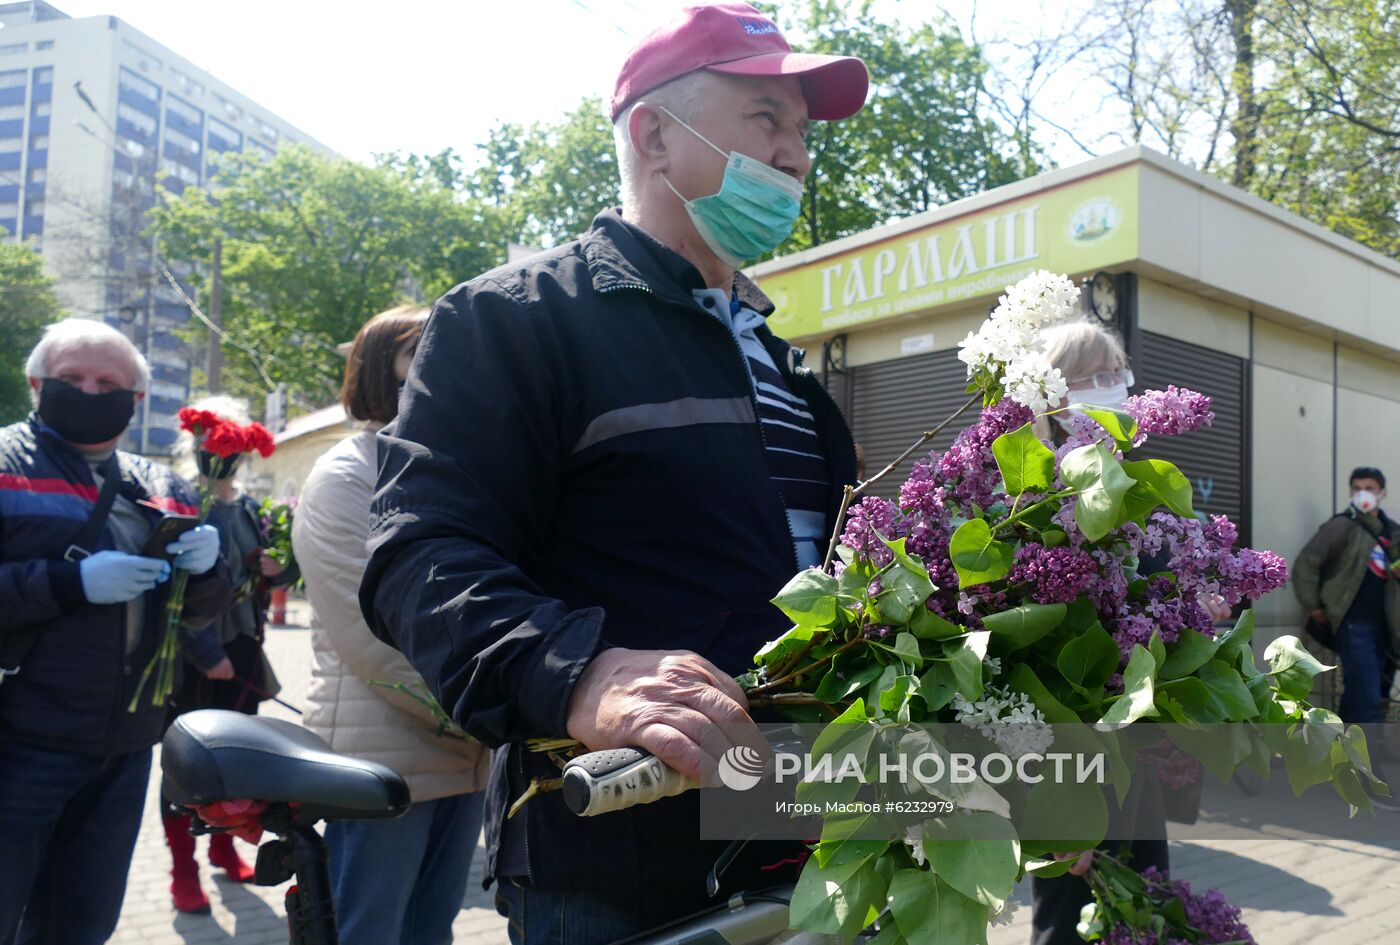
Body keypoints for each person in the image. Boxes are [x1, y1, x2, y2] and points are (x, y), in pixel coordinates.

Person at [359, 5, 868, 941]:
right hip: (617, 862)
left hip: (808, 829)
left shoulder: (788, 364)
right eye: (766, 119)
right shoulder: (512, 321)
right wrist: (578, 672)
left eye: (802, 132)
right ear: (653, 135)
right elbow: (420, 557)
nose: (796, 156)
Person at [0, 319, 230, 945]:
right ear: (36, 384)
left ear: (135, 400)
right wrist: (69, 584)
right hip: (20, 741)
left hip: (125, 747)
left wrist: (212, 569)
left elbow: (202, 611)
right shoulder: (4, 463)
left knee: (83, 922)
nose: (89, 391)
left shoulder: (164, 486)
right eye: (71, 379)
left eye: (108, 383)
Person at [1028, 318, 1228, 945]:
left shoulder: (1125, 481)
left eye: (1122, 374)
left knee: (1145, 902)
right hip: (1072, 761)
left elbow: (1148, 598)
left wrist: (1195, 607)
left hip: (1133, 750)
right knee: (1069, 922)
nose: (1119, 387)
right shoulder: (1031, 497)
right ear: (1058, 394)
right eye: (1103, 376)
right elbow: (1025, 659)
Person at [297, 307, 490, 945]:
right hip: (383, 757)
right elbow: (368, 639)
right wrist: (485, 707)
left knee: (432, 928)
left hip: (464, 750)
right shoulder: (348, 475)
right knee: (369, 932)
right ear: (382, 368)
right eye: (423, 351)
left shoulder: (454, 466)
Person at [159, 395, 299, 914]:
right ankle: (181, 871)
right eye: (211, 446)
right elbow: (170, 594)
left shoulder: (244, 505)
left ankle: (222, 846)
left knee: (237, 762)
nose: (220, 456)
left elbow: (272, 575)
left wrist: (274, 570)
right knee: (183, 768)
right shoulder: (180, 501)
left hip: (242, 650)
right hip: (194, 663)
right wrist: (203, 651)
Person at [1294, 468, 1399, 732]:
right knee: (1366, 701)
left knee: (1370, 696)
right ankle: (1364, 767)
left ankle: (1349, 755)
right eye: (1357, 487)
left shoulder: (1393, 532)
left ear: (1382, 493)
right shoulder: (1341, 525)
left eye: (1370, 488)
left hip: (1388, 628)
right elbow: (1306, 565)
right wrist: (1315, 608)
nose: (1363, 493)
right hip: (1354, 625)